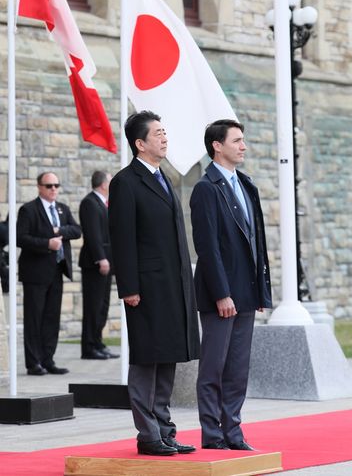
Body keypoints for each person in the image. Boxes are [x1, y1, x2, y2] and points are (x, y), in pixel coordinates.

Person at [108, 110, 200, 456]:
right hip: (145, 288)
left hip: (173, 285)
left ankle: (165, 430)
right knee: (148, 359)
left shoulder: (164, 178)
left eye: (165, 132)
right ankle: (148, 435)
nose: (165, 138)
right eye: (158, 133)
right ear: (140, 143)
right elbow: (122, 238)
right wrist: (129, 287)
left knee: (168, 356)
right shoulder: (126, 182)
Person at [190, 119, 272, 450]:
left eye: (243, 140)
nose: (244, 146)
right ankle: (212, 433)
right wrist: (222, 293)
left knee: (237, 369)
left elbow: (257, 242)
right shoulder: (205, 189)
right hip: (220, 295)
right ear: (217, 146)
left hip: (247, 292)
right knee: (214, 367)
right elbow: (207, 247)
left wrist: (260, 291)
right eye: (237, 141)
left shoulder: (247, 185)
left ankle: (233, 431)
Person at [17, 172, 81, 375]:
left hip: (57, 270)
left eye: (56, 185)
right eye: (49, 185)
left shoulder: (62, 209)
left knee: (52, 318)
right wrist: (47, 243)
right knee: (34, 318)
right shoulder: (28, 210)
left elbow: (77, 230)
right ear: (39, 187)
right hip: (35, 273)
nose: (54, 188)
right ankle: (33, 362)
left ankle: (48, 359)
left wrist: (58, 231)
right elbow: (21, 238)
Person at [79, 170, 119, 360]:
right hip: (95, 264)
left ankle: (98, 342)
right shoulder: (90, 203)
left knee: (102, 306)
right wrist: (100, 258)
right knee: (93, 306)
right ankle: (89, 346)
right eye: (110, 182)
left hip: (107, 263)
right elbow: (93, 235)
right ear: (103, 184)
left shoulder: (104, 203)